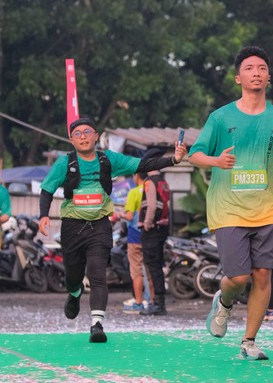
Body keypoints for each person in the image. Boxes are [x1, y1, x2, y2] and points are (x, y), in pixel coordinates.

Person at [188, 46, 273, 360]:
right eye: (249, 68)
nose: (256, 73)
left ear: (268, 77)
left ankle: (249, 341)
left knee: (264, 275)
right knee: (239, 277)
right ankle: (224, 301)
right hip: (228, 208)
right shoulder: (220, 117)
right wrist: (216, 160)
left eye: (262, 68)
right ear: (238, 78)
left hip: (267, 208)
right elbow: (194, 154)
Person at [38, 117, 187, 343]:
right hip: (72, 227)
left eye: (87, 132)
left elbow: (143, 165)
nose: (83, 137)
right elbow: (47, 190)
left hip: (99, 225)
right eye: (78, 133)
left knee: (97, 273)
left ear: (96, 136)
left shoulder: (108, 160)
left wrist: (174, 159)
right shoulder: (64, 163)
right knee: (73, 275)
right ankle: (74, 292)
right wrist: (43, 215)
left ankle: (97, 325)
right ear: (71, 140)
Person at [138, 149, 172, 317]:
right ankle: (159, 302)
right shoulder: (164, 182)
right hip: (162, 228)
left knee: (153, 265)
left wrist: (146, 224)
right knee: (157, 264)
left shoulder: (150, 182)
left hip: (152, 229)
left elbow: (151, 206)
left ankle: (159, 303)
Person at [121, 172, 154, 314]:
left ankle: (139, 303)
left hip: (134, 236)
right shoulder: (151, 189)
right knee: (151, 270)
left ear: (136, 176)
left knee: (136, 271)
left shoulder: (133, 192)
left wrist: (120, 214)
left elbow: (129, 216)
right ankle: (153, 301)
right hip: (149, 235)